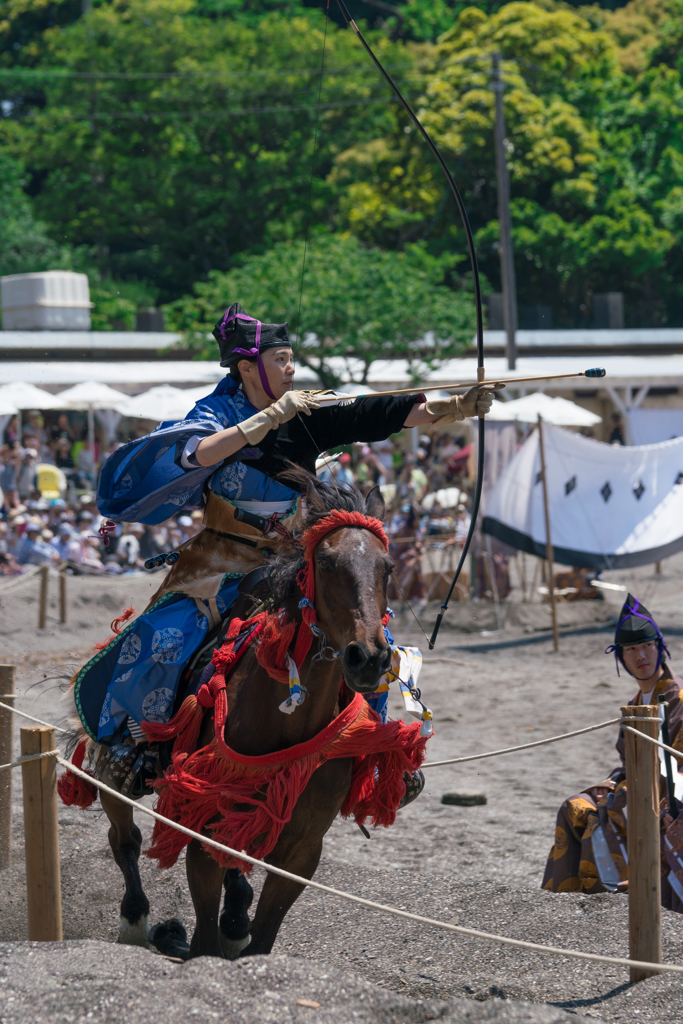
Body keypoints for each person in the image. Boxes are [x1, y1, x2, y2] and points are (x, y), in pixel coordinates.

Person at [89, 301, 498, 758]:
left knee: (369, 632)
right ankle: (139, 745)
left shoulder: (303, 412)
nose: (290, 368)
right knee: (164, 636)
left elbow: (375, 414)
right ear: (247, 368)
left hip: (290, 559)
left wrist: (458, 406)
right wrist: (266, 420)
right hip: (221, 559)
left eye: (290, 359)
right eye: (278, 360)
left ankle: (372, 742)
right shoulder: (217, 413)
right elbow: (198, 451)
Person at [542, 595, 683, 900]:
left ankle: (640, 884)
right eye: (630, 649)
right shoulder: (634, 703)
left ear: (659, 647)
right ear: (620, 656)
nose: (640, 656)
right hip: (636, 792)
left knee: (637, 816)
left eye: (646, 645)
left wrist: (668, 804)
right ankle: (565, 902)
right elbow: (631, 761)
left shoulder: (678, 699)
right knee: (576, 807)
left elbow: (678, 766)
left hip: (672, 800)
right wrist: (611, 782)